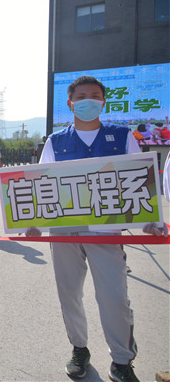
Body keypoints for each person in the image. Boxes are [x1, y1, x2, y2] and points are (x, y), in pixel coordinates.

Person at [28, 76, 168, 382]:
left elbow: (141, 181)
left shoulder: (122, 137)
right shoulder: (55, 142)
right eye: (81, 97)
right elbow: (40, 185)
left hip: (106, 233)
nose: (88, 101)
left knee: (114, 298)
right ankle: (79, 349)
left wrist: (152, 219)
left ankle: (121, 360)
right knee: (69, 295)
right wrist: (33, 222)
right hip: (64, 233)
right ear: (70, 103)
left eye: (94, 95)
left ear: (103, 102)